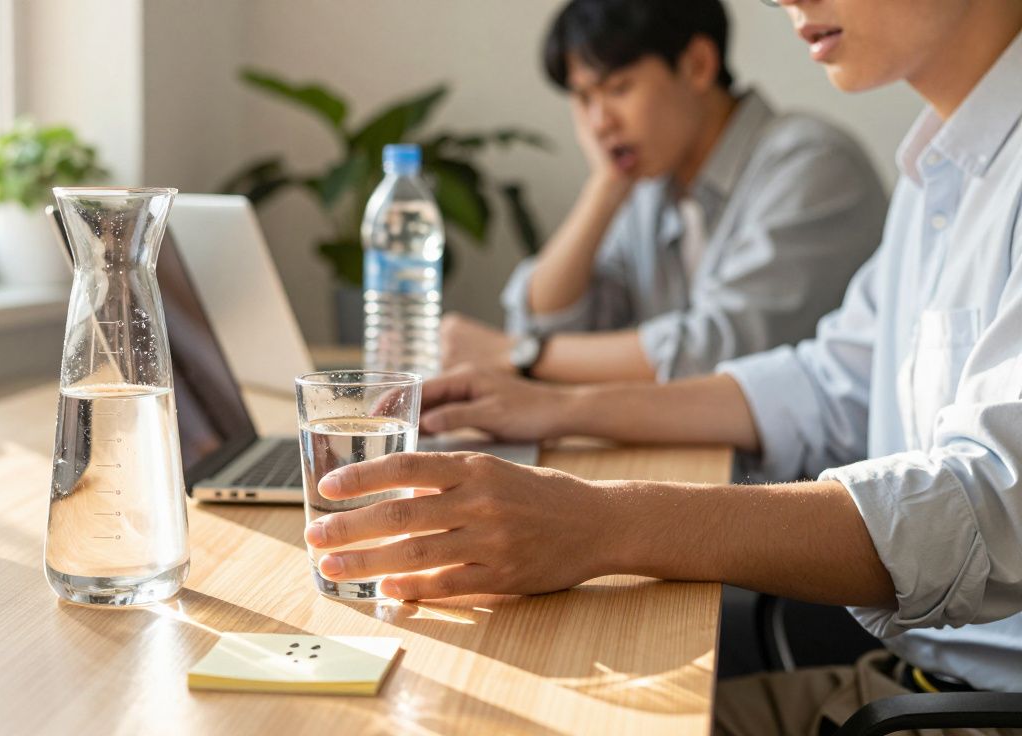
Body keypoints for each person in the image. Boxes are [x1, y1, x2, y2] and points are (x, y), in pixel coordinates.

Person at [305, 0, 1022, 731]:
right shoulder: (938, 167)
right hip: (902, 683)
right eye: (584, 100)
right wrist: (557, 407)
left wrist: (603, 522)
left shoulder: (830, 162)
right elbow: (825, 382)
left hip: (968, 710)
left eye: (615, 89)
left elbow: (987, 505)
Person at [440, 0, 887, 385]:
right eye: (583, 99)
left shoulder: (813, 165)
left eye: (617, 88)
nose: (599, 122)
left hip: (803, 477)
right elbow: (554, 320)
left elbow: (717, 351)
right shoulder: (650, 183)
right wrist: (604, 188)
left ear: (697, 65)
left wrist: (522, 355)